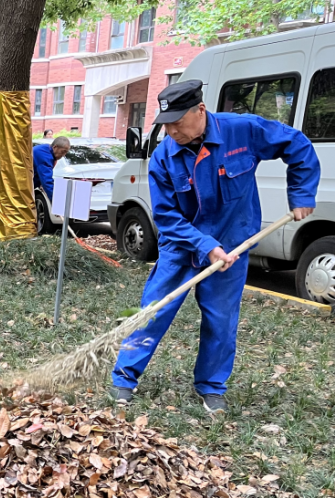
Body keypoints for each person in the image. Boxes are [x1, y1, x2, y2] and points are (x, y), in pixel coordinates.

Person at [111, 79, 319, 414]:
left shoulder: (242, 131)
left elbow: (297, 145)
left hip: (232, 245)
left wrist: (302, 194)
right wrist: (204, 245)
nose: (172, 132)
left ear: (201, 110)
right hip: (181, 246)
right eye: (166, 125)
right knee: (153, 311)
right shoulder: (164, 157)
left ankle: (211, 387)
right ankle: (124, 378)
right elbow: (166, 216)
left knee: (221, 321)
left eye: (178, 122)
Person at [33, 136, 71, 201]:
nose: (64, 155)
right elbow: (47, 181)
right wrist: (57, 201)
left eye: (66, 152)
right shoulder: (45, 157)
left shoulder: (46, 148)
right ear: (55, 147)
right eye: (63, 151)